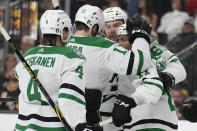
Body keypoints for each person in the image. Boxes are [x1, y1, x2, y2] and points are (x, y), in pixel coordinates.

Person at [66, 4, 153, 130]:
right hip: (101, 118)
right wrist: (141, 36)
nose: (112, 30)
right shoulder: (105, 48)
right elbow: (140, 63)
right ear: (96, 28)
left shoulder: (62, 45)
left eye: (117, 25)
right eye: (107, 26)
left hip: (70, 117)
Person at [15, 10, 88, 131]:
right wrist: (80, 126)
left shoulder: (27, 55)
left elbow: (18, 74)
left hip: (23, 127)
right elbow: (69, 98)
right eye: (68, 31)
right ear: (63, 32)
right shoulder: (72, 57)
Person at [109, 24, 187, 131]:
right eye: (118, 40)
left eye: (124, 39)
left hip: (154, 119)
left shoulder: (144, 61)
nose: (120, 44)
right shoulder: (120, 59)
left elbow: (177, 70)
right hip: (136, 120)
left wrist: (130, 102)